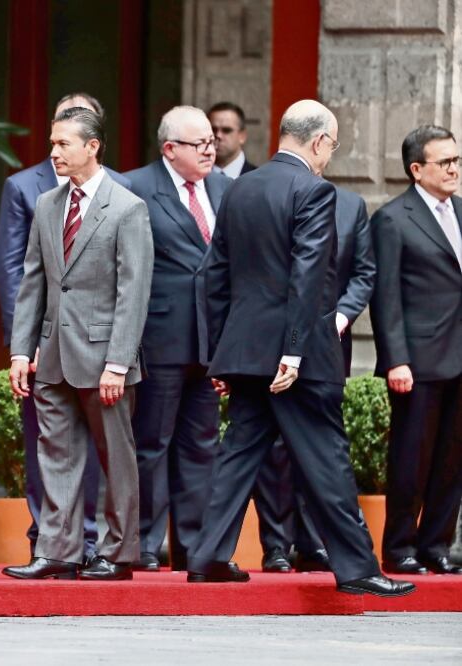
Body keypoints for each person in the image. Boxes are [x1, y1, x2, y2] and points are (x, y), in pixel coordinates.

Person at [189, 99, 414, 597]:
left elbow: (212, 276)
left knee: (238, 456)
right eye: (331, 145)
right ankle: (358, 568)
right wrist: (291, 351)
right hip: (300, 356)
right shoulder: (314, 190)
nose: (330, 155)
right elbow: (308, 275)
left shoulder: (239, 189)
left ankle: (206, 558)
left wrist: (220, 354)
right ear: (317, 142)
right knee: (326, 458)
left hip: (245, 351)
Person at [3, 107, 153, 581]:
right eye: (52, 143)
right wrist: (20, 352)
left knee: (117, 460)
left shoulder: (128, 206)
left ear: (92, 147)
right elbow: (33, 283)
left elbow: (134, 292)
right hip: (52, 358)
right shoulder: (47, 203)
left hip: (105, 359)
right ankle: (57, 550)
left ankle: (118, 552)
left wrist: (118, 362)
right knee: (56, 457)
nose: (54, 152)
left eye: (63, 143)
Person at [121, 106, 231, 571]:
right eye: (199, 143)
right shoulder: (136, 188)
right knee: (151, 443)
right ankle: (145, 543)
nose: (211, 149)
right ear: (169, 149)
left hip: (212, 341)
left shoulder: (226, 188)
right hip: (159, 336)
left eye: (212, 141)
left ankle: (193, 547)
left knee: (201, 445)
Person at [253, 185, 376, 573]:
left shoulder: (351, 203)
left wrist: (338, 318)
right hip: (274, 340)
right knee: (274, 447)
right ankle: (275, 545)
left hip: (328, 344)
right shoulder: (271, 196)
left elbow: (363, 272)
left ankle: (313, 542)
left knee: (319, 444)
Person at [370, 125, 462, 576]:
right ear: (416, 169)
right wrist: (395, 359)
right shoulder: (393, 219)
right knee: (411, 457)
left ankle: (436, 546)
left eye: (456, 160)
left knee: (452, 458)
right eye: (444, 161)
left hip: (460, 356)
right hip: (418, 361)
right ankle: (400, 545)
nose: (454, 168)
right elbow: (384, 297)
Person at [208, 102, 255, 178]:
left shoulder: (260, 179)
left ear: (242, 136)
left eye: (226, 130)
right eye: (213, 130)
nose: (218, 135)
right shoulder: (193, 178)